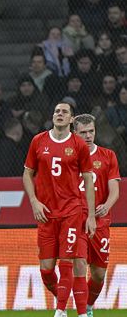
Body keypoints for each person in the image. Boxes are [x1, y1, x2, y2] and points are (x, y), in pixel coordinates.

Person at [23, 102, 96, 317]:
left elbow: (88, 180)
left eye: (64, 112)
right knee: (46, 269)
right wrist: (34, 202)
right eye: (56, 111)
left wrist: (90, 215)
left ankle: (62, 311)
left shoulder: (78, 144)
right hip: (46, 213)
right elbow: (27, 174)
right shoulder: (39, 141)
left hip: (71, 211)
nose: (60, 114)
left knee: (68, 261)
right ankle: (64, 297)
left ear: (72, 119)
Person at [72, 114, 120, 317]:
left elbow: (115, 189)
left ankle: (88, 304)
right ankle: (82, 311)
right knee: (80, 264)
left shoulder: (107, 156)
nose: (88, 135)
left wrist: (107, 206)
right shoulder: (68, 157)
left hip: (100, 221)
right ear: (75, 133)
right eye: (83, 132)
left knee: (99, 274)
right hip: (75, 220)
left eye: (91, 131)